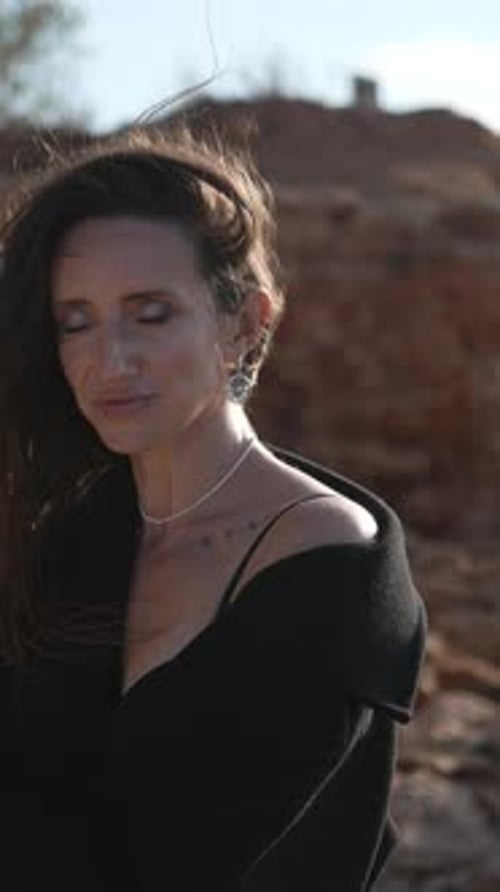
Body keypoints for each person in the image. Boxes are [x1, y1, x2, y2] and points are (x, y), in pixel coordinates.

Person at [0, 123, 427, 891]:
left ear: (245, 324)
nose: (110, 359)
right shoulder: (62, 534)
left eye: (151, 312)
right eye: (77, 321)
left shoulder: (326, 562)